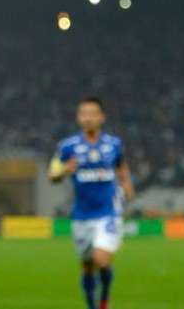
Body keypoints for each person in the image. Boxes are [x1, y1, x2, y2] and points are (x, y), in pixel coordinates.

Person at [49, 97, 136, 309]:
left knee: (102, 259)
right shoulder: (68, 146)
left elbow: (121, 167)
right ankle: (91, 305)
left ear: (101, 117)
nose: (88, 118)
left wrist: (127, 184)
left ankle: (104, 301)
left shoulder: (113, 144)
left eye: (92, 113)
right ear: (79, 118)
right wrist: (64, 171)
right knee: (87, 266)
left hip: (108, 212)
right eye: (84, 114)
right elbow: (52, 175)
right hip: (81, 215)